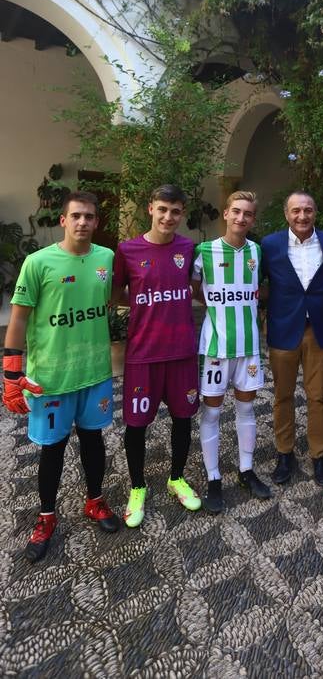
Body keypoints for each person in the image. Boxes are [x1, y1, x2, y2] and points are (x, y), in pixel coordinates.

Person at [2, 192, 119, 562]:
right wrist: (10, 373)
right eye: (76, 216)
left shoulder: (106, 258)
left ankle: (95, 501)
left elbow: (113, 302)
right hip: (51, 377)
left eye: (89, 216)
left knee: (93, 440)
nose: (83, 222)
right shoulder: (38, 263)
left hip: (95, 372)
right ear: (63, 221)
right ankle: (47, 516)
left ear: (97, 222)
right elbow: (18, 318)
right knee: (52, 448)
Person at [111, 185, 201, 528]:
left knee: (183, 418)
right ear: (150, 208)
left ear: (182, 214)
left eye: (175, 211)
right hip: (143, 355)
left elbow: (198, 289)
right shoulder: (128, 250)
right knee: (136, 426)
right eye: (162, 209)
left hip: (181, 353)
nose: (168, 217)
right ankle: (137, 487)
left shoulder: (188, 248)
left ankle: (176, 477)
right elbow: (116, 295)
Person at [192, 190, 271, 514]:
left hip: (249, 347)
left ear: (253, 219)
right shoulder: (204, 251)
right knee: (211, 412)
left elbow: (262, 288)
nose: (241, 218)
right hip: (216, 348)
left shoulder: (257, 251)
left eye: (247, 214)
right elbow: (195, 287)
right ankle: (213, 479)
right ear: (225, 214)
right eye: (236, 212)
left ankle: (246, 470)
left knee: (246, 410)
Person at [261, 192, 323, 487]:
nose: (302, 216)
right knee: (282, 395)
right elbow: (258, 281)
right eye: (296, 211)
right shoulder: (269, 245)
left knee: (317, 396)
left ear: (315, 212)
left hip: (318, 329)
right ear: (286, 213)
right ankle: (284, 452)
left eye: (307, 210)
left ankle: (319, 454)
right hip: (282, 328)